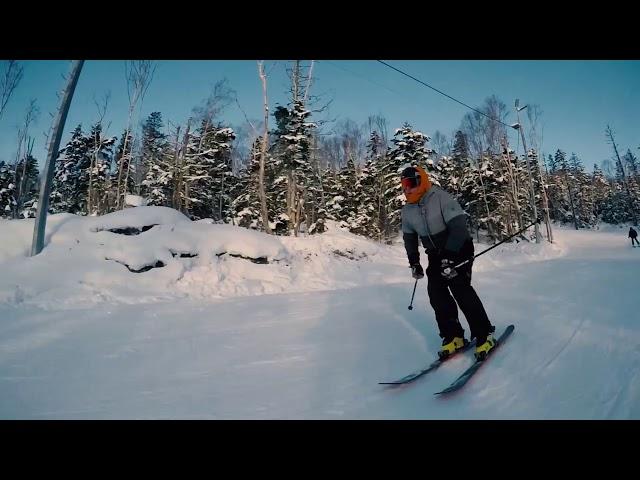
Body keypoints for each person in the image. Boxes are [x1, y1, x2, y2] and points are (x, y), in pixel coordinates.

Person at [400, 165, 496, 361]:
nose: (406, 189)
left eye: (410, 183)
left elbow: (459, 229)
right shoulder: (408, 210)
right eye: (403, 184)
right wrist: (414, 263)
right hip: (435, 253)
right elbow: (409, 238)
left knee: (459, 286)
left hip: (459, 247)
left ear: (421, 181)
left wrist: (450, 258)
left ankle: (484, 333)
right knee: (436, 292)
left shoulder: (441, 198)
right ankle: (454, 336)